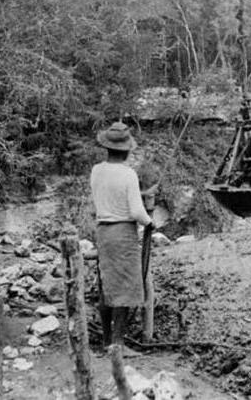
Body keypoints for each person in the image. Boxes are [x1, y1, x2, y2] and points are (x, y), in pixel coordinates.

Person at [90, 122, 156, 353]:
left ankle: (108, 341)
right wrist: (150, 223)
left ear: (106, 148)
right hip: (123, 234)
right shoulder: (128, 174)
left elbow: (106, 196)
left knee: (107, 286)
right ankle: (118, 345)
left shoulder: (97, 170)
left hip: (103, 232)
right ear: (128, 150)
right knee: (125, 289)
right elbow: (137, 212)